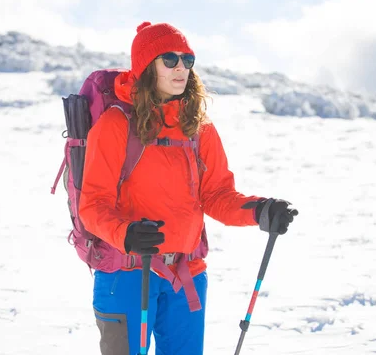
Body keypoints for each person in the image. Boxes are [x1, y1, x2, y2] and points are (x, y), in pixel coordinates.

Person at [78, 21, 298, 355]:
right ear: (147, 67)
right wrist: (125, 233)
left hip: (187, 275)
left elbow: (217, 195)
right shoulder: (116, 125)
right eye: (169, 59)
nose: (181, 67)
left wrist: (260, 210)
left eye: (187, 59)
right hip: (127, 274)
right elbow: (92, 205)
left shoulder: (198, 127)